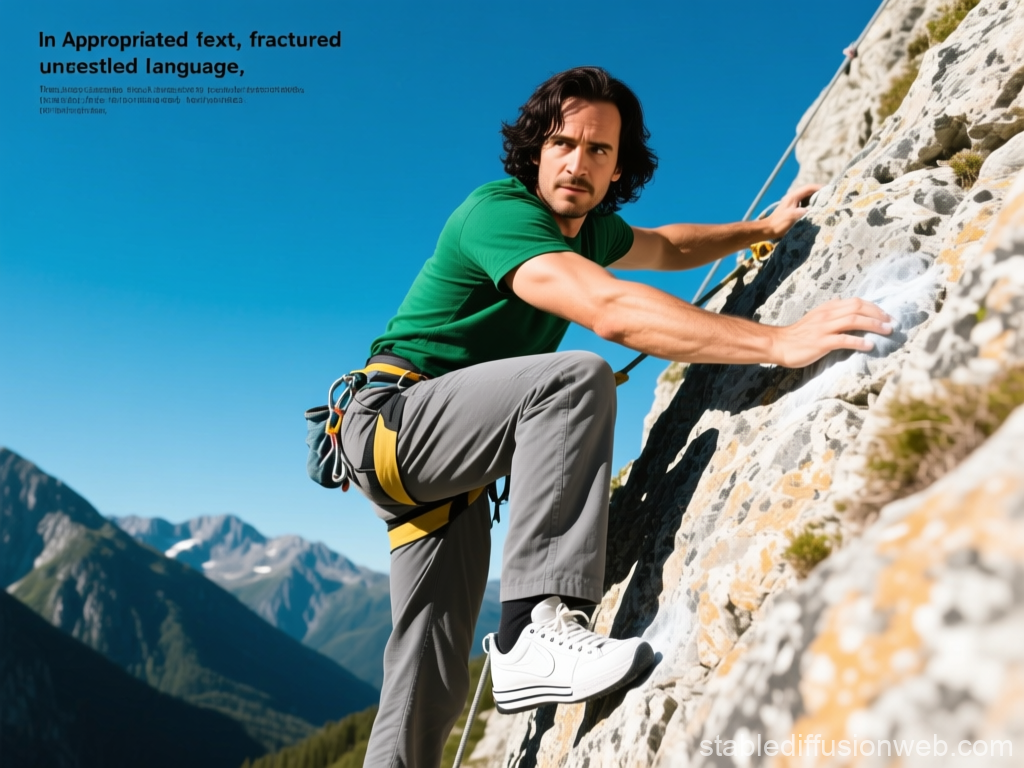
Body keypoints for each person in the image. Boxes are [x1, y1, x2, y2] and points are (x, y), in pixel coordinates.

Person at [333, 66, 892, 768]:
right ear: (534, 150)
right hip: (398, 422)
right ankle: (533, 632)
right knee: (571, 382)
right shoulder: (499, 213)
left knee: (428, 686)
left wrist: (763, 226)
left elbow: (670, 245)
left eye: (599, 150)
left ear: (619, 166)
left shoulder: (590, 231)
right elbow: (607, 309)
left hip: (446, 472)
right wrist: (778, 342)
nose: (577, 162)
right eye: (563, 142)